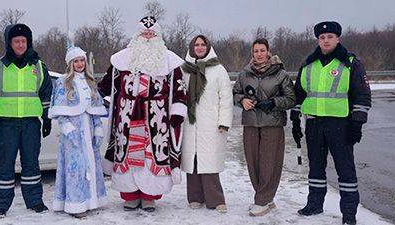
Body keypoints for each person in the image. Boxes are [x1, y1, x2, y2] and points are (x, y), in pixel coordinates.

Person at [98, 16, 187, 212]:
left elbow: (180, 90)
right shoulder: (121, 59)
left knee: (151, 156)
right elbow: (105, 85)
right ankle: (129, 195)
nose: (147, 36)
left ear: (158, 36)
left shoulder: (169, 61)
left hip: (156, 119)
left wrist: (178, 111)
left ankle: (149, 196)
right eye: (144, 33)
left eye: (151, 33)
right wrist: (101, 99)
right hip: (126, 118)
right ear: (137, 35)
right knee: (127, 155)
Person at [292, 21, 371, 225]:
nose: (325, 40)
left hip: (341, 125)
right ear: (318, 40)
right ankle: (315, 204)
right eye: (322, 37)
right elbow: (299, 94)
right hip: (314, 124)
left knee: (345, 170)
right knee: (316, 168)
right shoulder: (308, 63)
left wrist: (357, 123)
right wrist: (295, 118)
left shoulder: (351, 62)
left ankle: (349, 214)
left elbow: (362, 95)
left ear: (338, 39)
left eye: (330, 37)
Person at [0, 23, 53, 218]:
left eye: (23, 41)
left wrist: (47, 118)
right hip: (6, 124)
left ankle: (35, 201)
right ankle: (1, 204)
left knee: (31, 163)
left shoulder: (38, 66)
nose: (20, 44)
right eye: (16, 41)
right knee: (5, 164)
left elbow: (46, 93)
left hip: (31, 123)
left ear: (28, 43)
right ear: (9, 43)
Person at [232, 38, 296, 216]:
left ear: (268, 52)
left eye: (262, 50)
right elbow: (235, 93)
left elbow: (291, 98)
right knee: (253, 162)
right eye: (255, 51)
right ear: (252, 53)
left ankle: (262, 200)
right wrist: (241, 100)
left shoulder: (280, 74)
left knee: (269, 162)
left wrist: (274, 102)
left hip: (272, 124)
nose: (259, 54)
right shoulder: (245, 74)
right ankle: (265, 197)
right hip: (251, 123)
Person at [49, 46, 108, 218]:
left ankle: (91, 200)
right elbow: (60, 111)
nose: (80, 64)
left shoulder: (90, 82)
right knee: (76, 168)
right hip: (73, 133)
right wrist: (68, 129)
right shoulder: (62, 82)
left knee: (91, 165)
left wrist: (97, 128)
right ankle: (76, 204)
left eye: (82, 60)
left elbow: (95, 108)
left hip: (88, 130)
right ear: (70, 63)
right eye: (76, 61)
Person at [180, 35, 233, 213]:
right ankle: (195, 197)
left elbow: (226, 97)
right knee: (192, 159)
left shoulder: (218, 70)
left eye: (203, 45)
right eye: (197, 44)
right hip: (190, 122)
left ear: (208, 47)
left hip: (211, 123)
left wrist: (224, 122)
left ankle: (216, 199)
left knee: (209, 162)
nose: (200, 47)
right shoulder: (184, 69)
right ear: (192, 47)